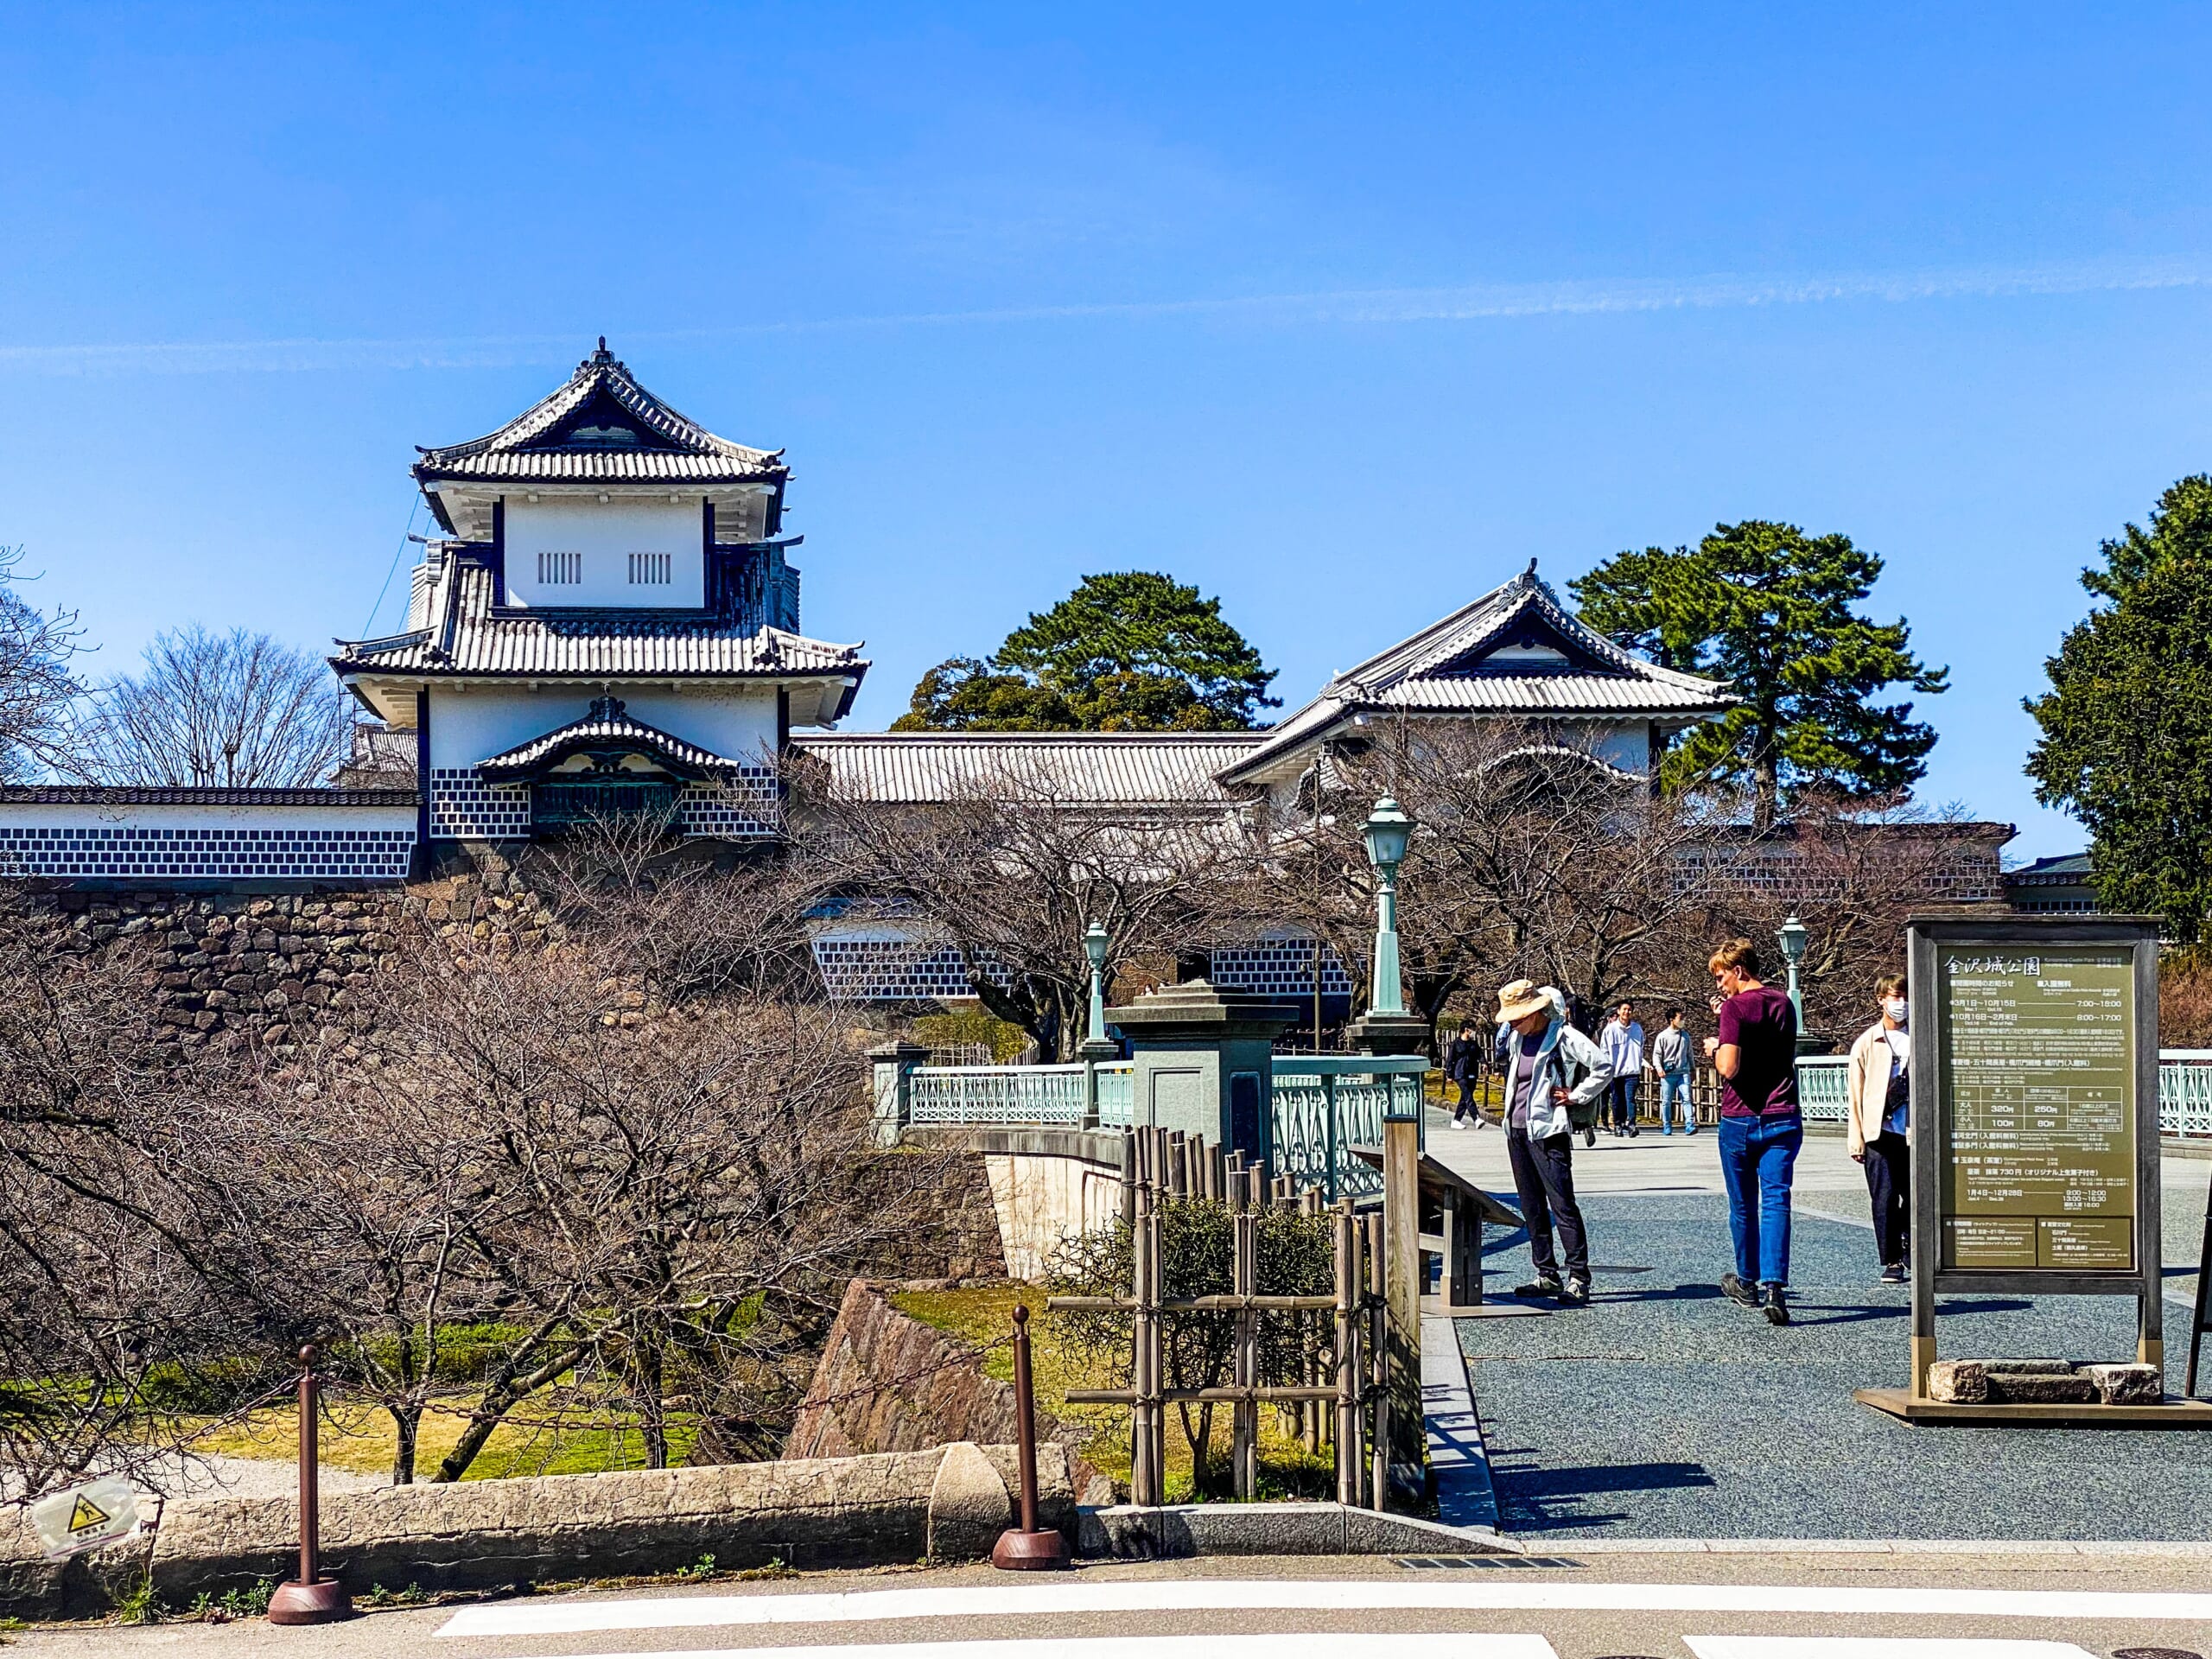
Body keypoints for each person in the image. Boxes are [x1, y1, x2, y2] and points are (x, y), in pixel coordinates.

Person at [1495, 978, 1614, 1306]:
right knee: (1532, 1206)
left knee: (1562, 1203)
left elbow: (1603, 1066)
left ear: (1536, 1011)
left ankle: (1579, 1276)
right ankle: (1546, 1272)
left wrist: (1576, 1096)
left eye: (1518, 1017)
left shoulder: (1562, 1036)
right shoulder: (1519, 1040)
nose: (1513, 1023)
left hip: (1548, 1132)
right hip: (1517, 1130)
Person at [1701, 938, 1802, 1326]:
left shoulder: (1735, 1008)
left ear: (1738, 970)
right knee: (1777, 1201)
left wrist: (1715, 1044)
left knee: (1743, 1205)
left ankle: (1747, 1281)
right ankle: (1776, 1287)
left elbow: (1730, 1067)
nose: (1719, 984)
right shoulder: (1783, 1003)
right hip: (1783, 1113)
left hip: (1741, 1116)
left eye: (1721, 976)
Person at [1847, 974, 1912, 1283]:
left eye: (1905, 996)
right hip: (1880, 1130)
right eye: (1895, 996)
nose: (1901, 1003)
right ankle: (1891, 1259)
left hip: (1915, 1130)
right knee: (1884, 1197)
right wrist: (1856, 1139)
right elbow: (1856, 1093)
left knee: (1915, 1195)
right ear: (1881, 1000)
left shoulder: (1921, 1037)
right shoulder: (1867, 1042)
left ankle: (1913, 1245)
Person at [1599, 1001, 1644, 1137]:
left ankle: (1631, 1124)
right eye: (1624, 1009)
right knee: (1617, 1099)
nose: (1627, 1012)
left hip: (1632, 1071)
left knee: (1630, 1098)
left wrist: (1639, 1064)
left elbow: (1641, 1047)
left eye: (1630, 1010)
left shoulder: (1637, 1029)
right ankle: (1618, 1125)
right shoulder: (1610, 1030)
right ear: (1618, 1011)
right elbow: (1604, 1050)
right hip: (1616, 1071)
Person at [1651, 1008, 1695, 1135]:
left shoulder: (1685, 1035)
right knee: (1666, 1100)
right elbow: (1657, 1054)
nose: (1682, 1021)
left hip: (1683, 1072)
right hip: (1668, 1073)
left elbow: (1689, 1053)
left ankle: (1689, 1124)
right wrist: (1659, 1068)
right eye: (1680, 1018)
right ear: (1672, 1019)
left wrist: (1692, 1069)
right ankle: (1667, 1125)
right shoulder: (1663, 1036)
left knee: (1687, 1098)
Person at [1445, 1021, 1485, 1128]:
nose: (1474, 1032)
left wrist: (1484, 1063)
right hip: (1460, 1073)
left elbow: (1480, 1055)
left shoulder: (1473, 1044)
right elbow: (1450, 1059)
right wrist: (1449, 1074)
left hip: (1472, 1072)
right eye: (1472, 1029)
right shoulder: (1455, 1044)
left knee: (1465, 1097)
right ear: (1466, 1029)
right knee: (1468, 1096)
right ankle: (1476, 1118)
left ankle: (1456, 1120)